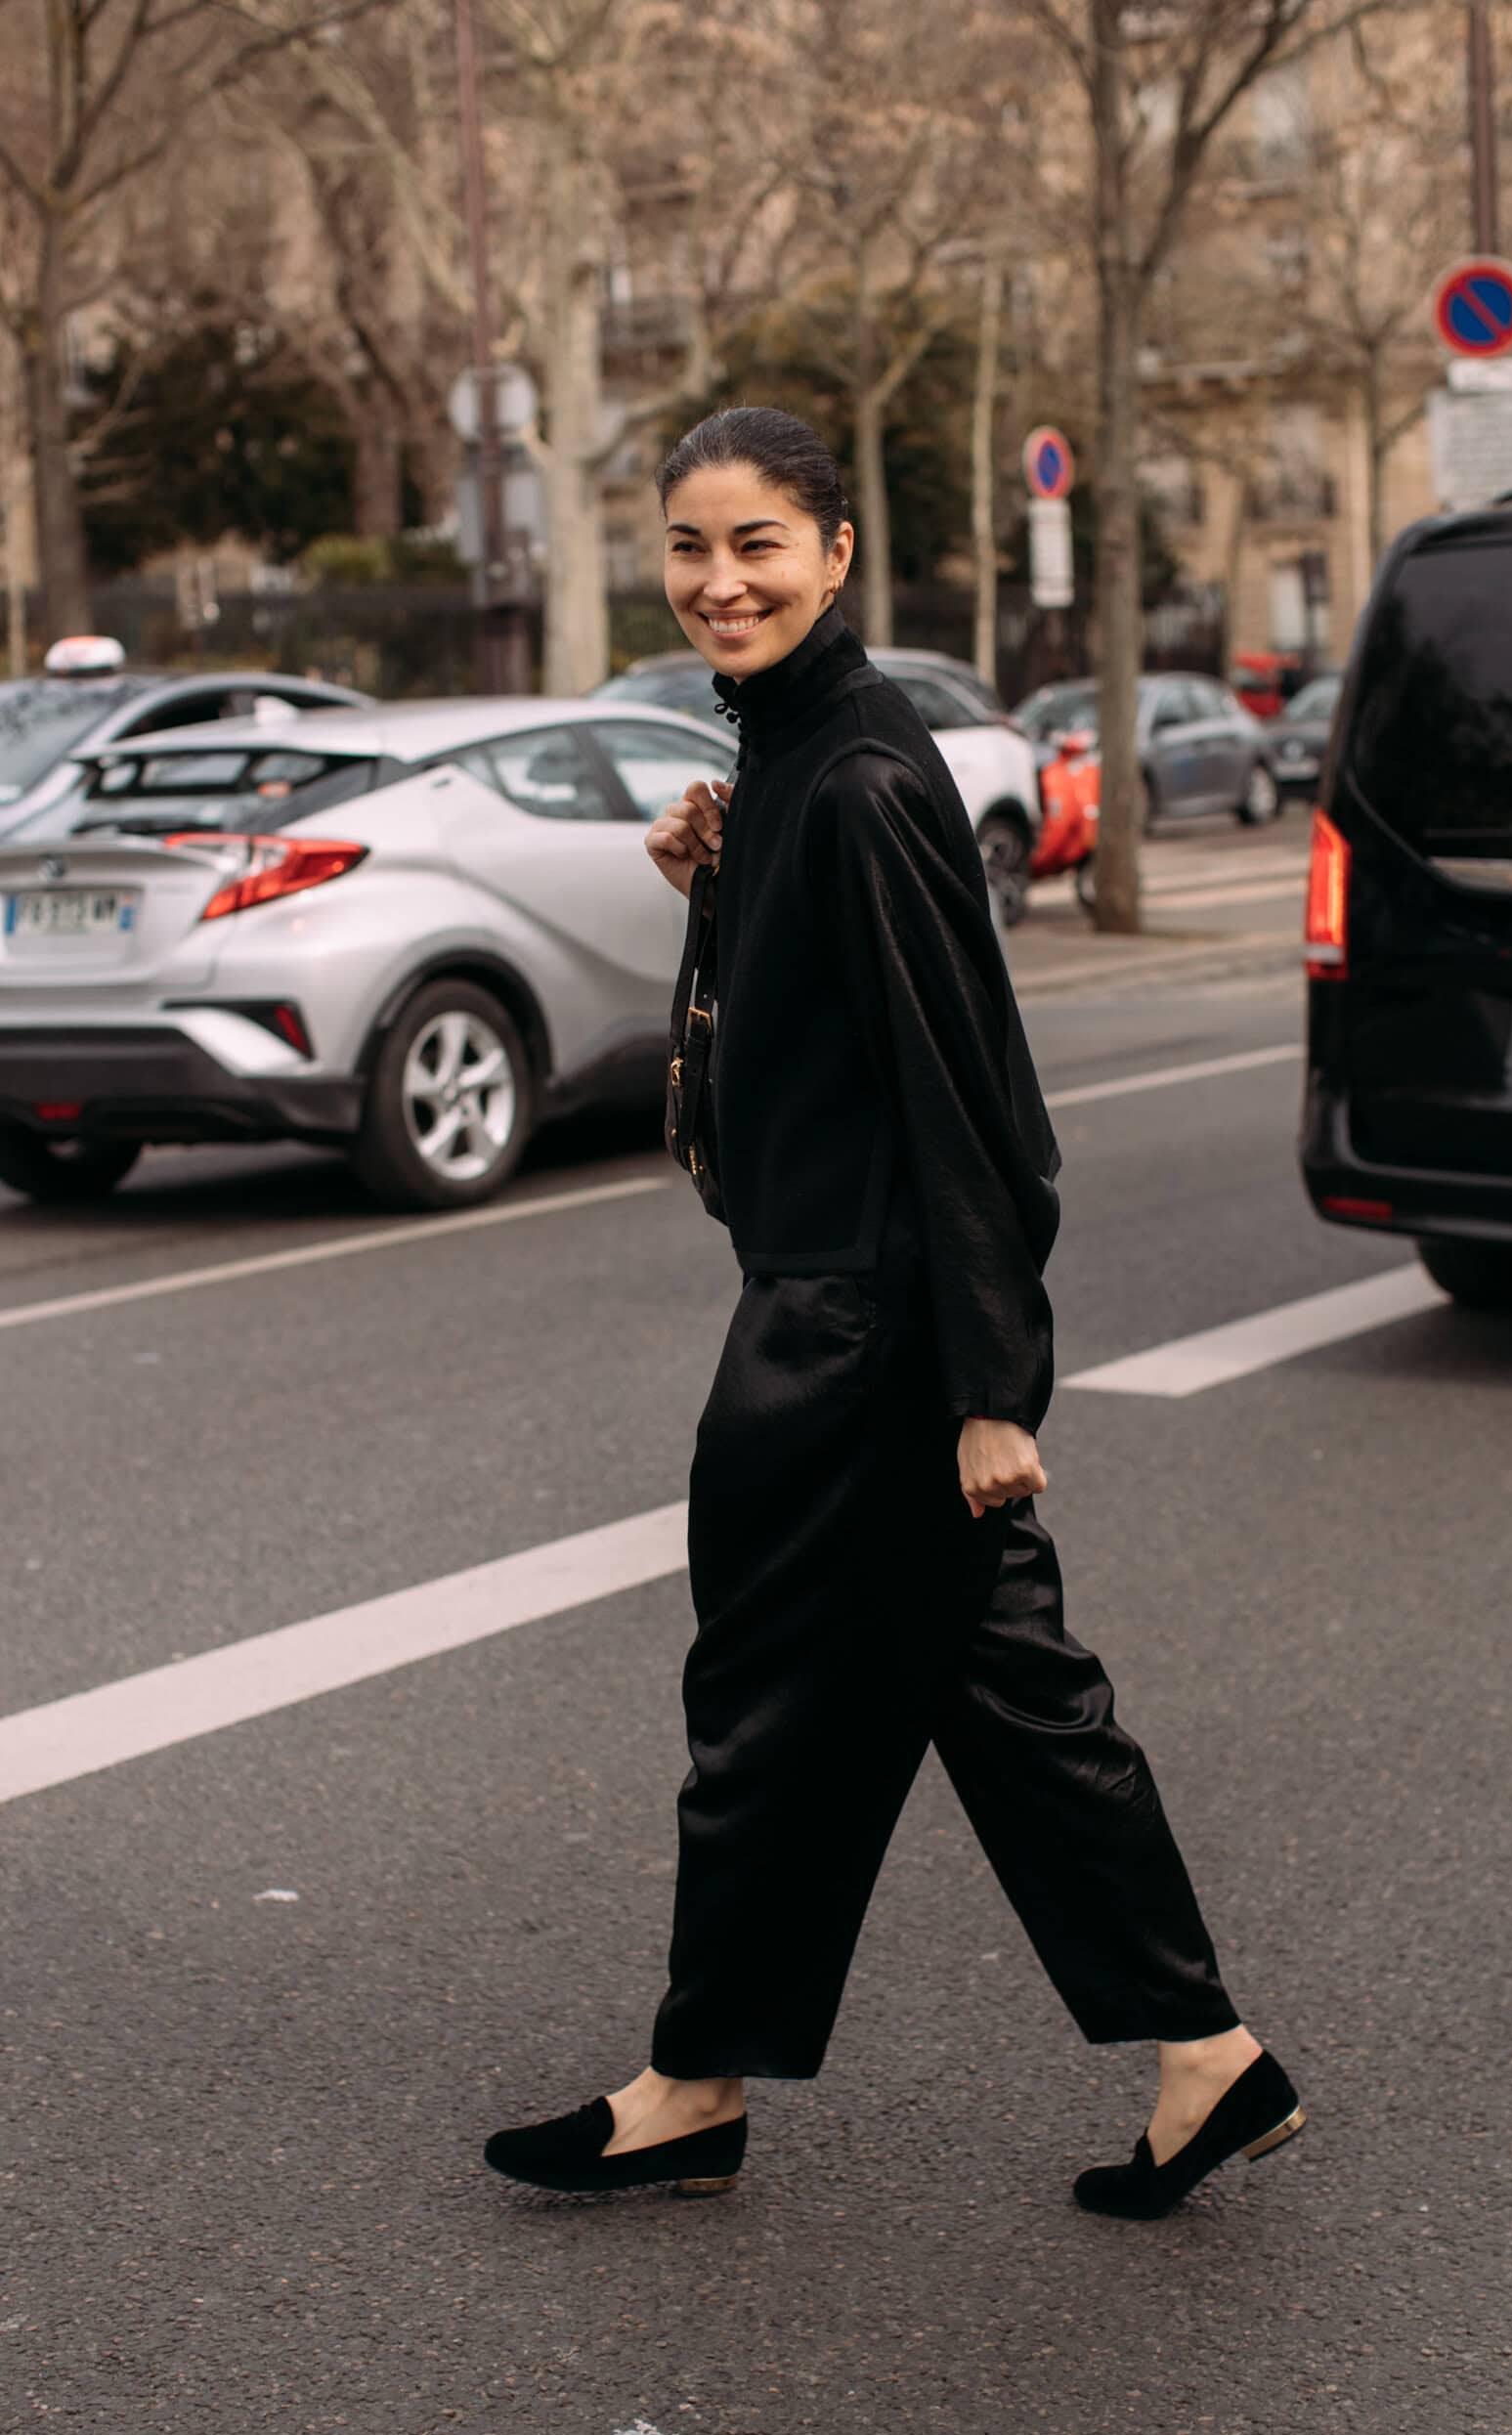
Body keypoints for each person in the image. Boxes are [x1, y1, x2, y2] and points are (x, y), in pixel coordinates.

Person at [483, 408, 1302, 2220]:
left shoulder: (845, 777)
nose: (719, 582)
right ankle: (1189, 2058)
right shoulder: (793, 760)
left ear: (839, 552)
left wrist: (994, 1387)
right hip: (843, 1314)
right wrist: (719, 880)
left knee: (814, 1705)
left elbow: (969, 1100)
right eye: (690, 548)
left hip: (856, 1335)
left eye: (759, 545)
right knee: (927, 1700)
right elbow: (822, 1033)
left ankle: (708, 2086)